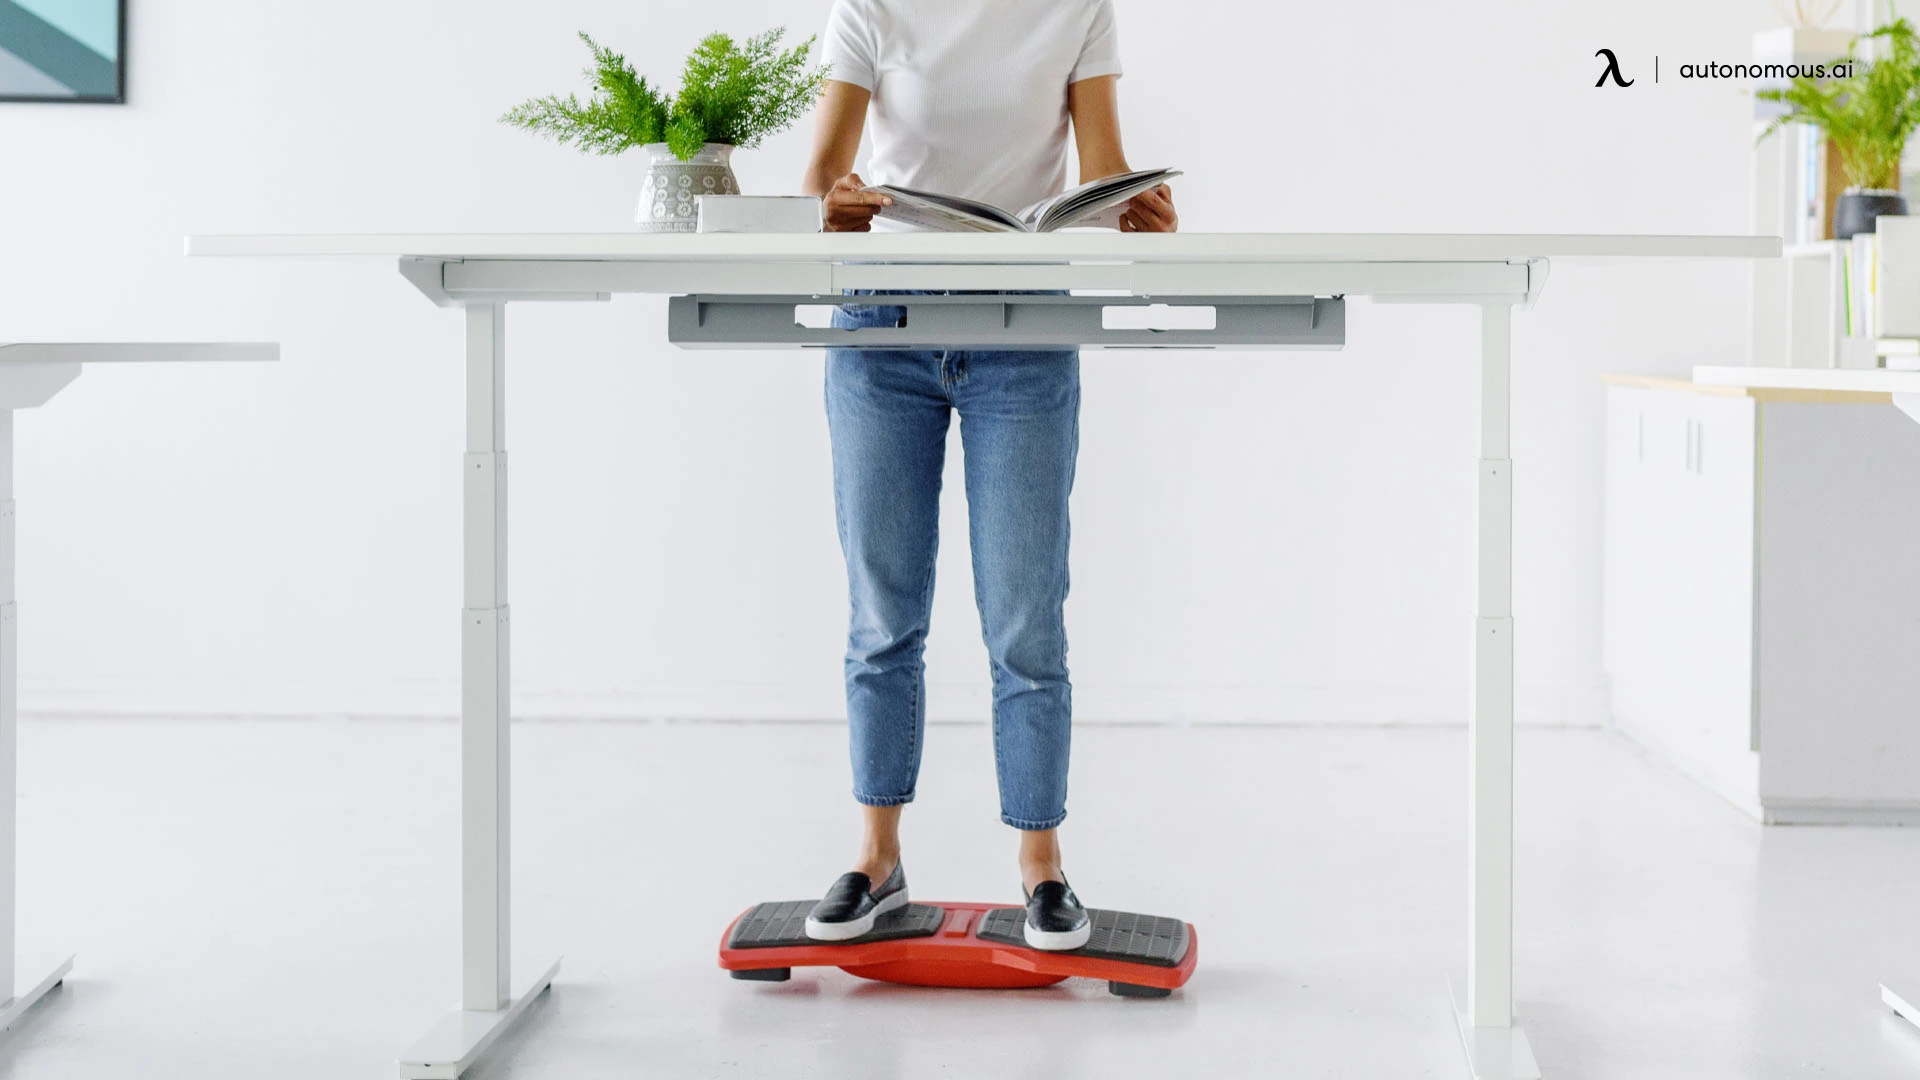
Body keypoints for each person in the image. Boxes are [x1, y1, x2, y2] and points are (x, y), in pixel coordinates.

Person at [797, 0, 1178, 951]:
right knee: (883, 612)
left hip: (1025, 330)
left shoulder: (1078, 10)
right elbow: (820, 178)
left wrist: (1133, 208)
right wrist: (837, 207)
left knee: (1025, 618)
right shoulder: (870, 9)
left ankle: (1042, 866)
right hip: (882, 330)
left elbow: (1100, 171)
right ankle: (877, 861)